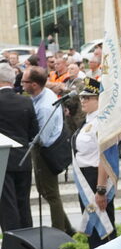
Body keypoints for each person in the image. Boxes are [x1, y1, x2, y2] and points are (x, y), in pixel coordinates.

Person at [21, 65, 74, 235]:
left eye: (24, 81)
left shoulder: (44, 107)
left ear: (34, 85)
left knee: (50, 193)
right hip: (44, 149)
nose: (21, 84)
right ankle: (68, 228)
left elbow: (42, 138)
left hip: (46, 151)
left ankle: (59, 232)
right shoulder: (43, 95)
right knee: (46, 191)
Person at [70, 78, 117, 249]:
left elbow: (104, 157)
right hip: (86, 177)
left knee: (102, 225)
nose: (83, 100)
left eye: (88, 98)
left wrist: (101, 188)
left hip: (96, 177)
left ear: (100, 100)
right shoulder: (88, 121)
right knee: (94, 228)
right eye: (82, 97)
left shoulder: (102, 122)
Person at [0, 63, 38, 232]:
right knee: (24, 204)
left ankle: (12, 243)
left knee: (7, 207)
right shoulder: (26, 101)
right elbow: (34, 131)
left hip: (3, 159)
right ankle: (27, 242)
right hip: (23, 157)